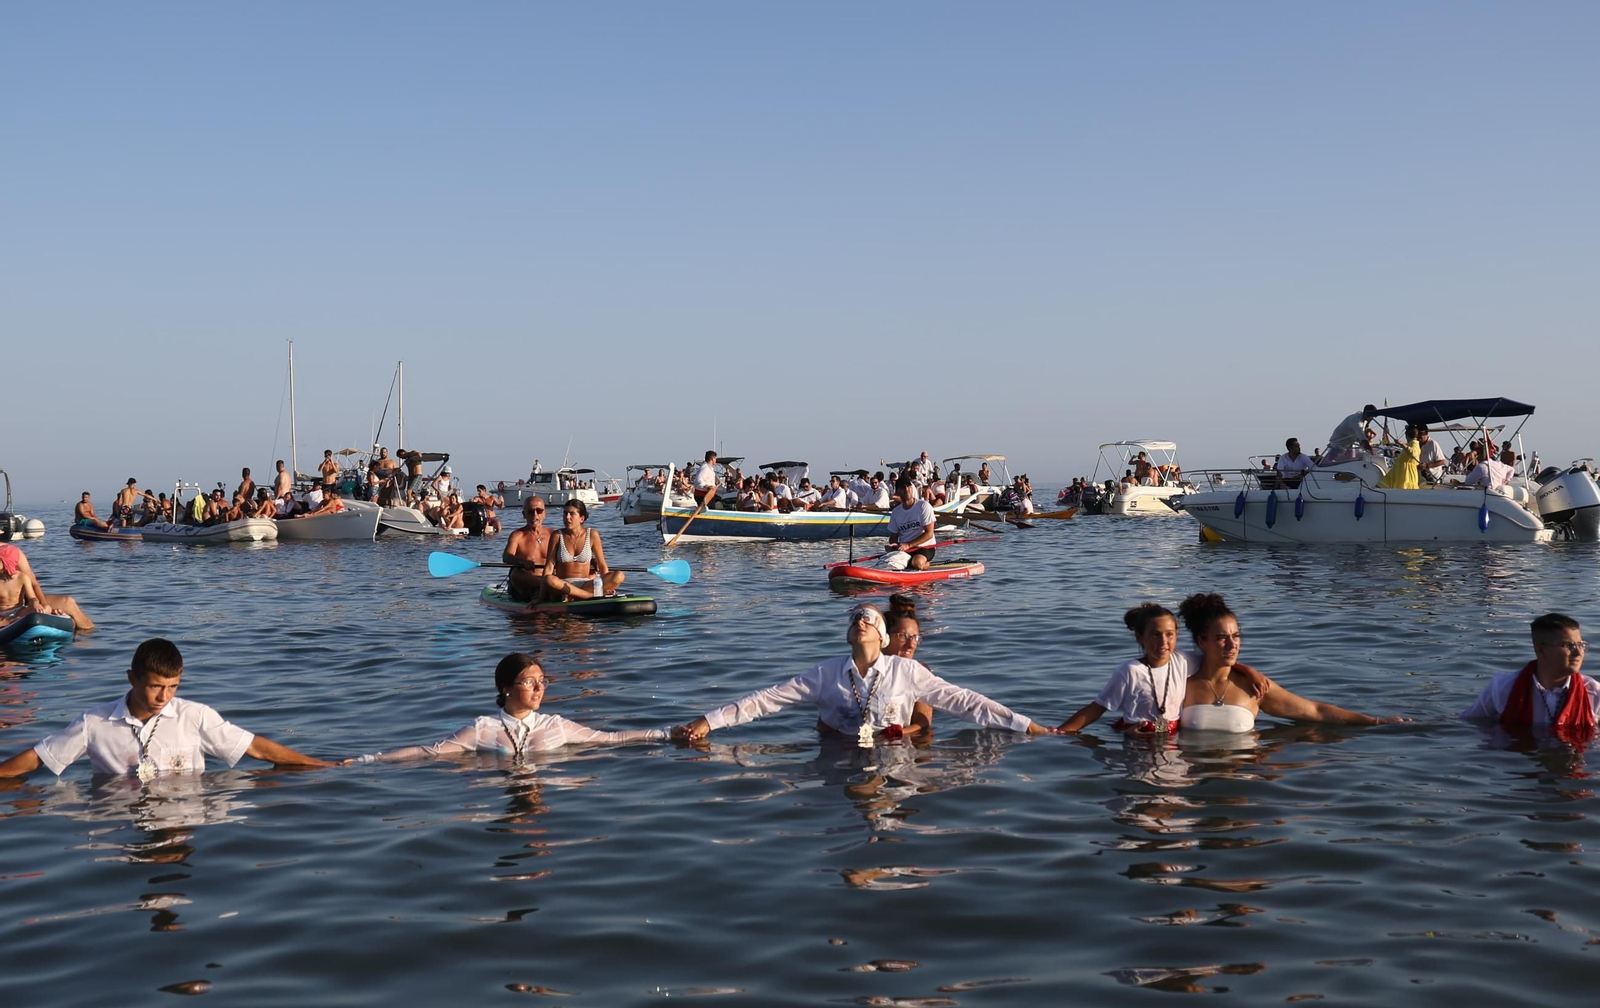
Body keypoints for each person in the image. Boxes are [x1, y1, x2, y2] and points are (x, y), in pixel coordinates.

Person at [673, 605, 1051, 744]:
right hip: (835, 758)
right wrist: (708, 722)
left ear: (883, 636)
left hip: (895, 757)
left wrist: (1025, 725)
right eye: (856, 618)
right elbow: (766, 700)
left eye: (869, 618)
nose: (861, 620)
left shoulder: (909, 672)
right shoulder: (826, 674)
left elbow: (965, 702)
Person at [0, 638, 329, 778]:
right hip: (118, 811)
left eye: (173, 687)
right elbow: (36, 758)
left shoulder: (195, 716)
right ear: (132, 678)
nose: (163, 697)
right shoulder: (94, 722)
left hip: (187, 808)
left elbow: (255, 747)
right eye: (156, 686)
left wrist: (319, 765)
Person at [349, 654, 667, 765]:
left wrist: (664, 734)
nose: (540, 688)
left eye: (542, 681)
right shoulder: (483, 730)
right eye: (531, 682)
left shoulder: (556, 725)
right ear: (506, 688)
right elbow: (428, 753)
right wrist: (367, 760)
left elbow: (609, 740)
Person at [1175, 593, 1404, 731]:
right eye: (1221, 638)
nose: (1232, 644)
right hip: (1194, 780)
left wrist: (1376, 722)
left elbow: (1316, 711)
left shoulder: (1255, 687)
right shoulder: (1180, 683)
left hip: (1242, 779)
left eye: (1235, 636)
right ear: (1201, 641)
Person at [1057, 603, 1267, 735]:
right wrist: (1060, 733)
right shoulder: (1130, 671)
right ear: (1140, 638)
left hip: (1171, 737)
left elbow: (1216, 660)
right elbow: (1097, 708)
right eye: (1155, 635)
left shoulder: (1182, 661)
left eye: (1169, 634)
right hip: (1136, 739)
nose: (1163, 642)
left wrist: (1249, 671)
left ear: (1177, 635)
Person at [1461, 613, 1597, 742]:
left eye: (1581, 645)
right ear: (1541, 650)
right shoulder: (1503, 687)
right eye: (1569, 645)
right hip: (1520, 761)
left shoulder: (1594, 693)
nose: (1579, 652)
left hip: (1572, 760)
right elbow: (1470, 723)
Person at [0, 542, 95, 631]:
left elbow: (34, 584)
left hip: (22, 605)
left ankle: (88, 636)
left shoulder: (10, 552)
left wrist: (45, 607)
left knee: (68, 602)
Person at [541, 500, 622, 600]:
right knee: (549, 579)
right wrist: (541, 596)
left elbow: (602, 565)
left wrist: (606, 584)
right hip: (562, 586)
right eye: (565, 513)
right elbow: (549, 567)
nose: (567, 518)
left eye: (572, 514)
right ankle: (588, 596)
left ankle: (575, 595)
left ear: (581, 518)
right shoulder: (557, 535)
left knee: (619, 575)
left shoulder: (592, 534)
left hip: (586, 584)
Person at [885, 598, 934, 737]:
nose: (911, 645)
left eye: (915, 638)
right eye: (903, 636)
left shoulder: (919, 672)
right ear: (884, 638)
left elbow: (923, 723)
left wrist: (893, 736)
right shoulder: (863, 670)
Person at [503, 498, 550, 603]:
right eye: (530, 511)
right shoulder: (517, 535)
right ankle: (546, 585)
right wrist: (523, 562)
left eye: (539, 511)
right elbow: (506, 556)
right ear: (524, 514)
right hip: (526, 586)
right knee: (515, 573)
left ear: (544, 514)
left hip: (550, 578)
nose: (535, 515)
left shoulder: (553, 534)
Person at [883, 479, 936, 571]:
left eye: (909, 486)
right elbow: (893, 537)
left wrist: (908, 545)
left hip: (925, 547)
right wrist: (893, 545)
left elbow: (929, 534)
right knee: (889, 564)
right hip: (905, 549)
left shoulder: (924, 506)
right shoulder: (896, 512)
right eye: (903, 488)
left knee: (917, 563)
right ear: (898, 492)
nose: (907, 489)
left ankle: (925, 564)